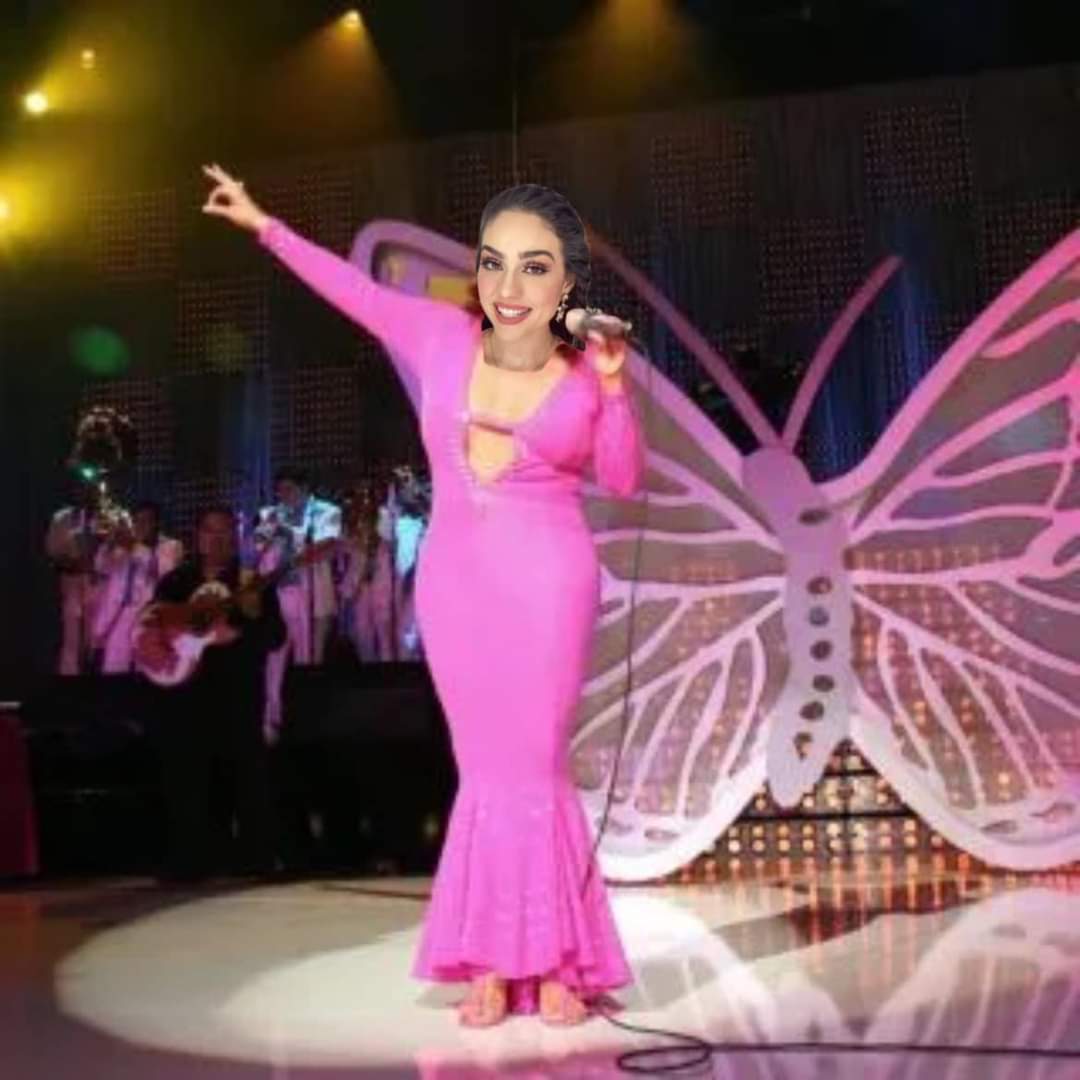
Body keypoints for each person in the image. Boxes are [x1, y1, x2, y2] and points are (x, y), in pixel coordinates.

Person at [202, 164, 643, 1026]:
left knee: (535, 765)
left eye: (534, 266)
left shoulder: (584, 373)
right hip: (456, 580)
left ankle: (557, 962)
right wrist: (264, 224)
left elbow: (624, 478)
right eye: (495, 262)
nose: (510, 283)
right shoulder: (441, 334)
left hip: (549, 578)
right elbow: (352, 290)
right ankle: (491, 963)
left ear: (563, 281)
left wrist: (618, 384)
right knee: (483, 770)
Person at [133, 506, 286, 882]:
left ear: (235, 537)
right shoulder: (175, 582)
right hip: (187, 694)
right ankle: (189, 858)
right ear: (198, 537)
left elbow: (275, 635)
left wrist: (239, 634)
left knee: (247, 776)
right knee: (186, 777)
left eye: (225, 532)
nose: (217, 539)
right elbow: (153, 622)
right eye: (209, 531)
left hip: (238, 692)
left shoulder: (251, 583)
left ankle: (254, 857)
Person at [255, 468, 341, 741]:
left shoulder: (327, 512)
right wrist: (269, 533)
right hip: (281, 598)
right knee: (274, 661)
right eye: (280, 490)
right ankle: (271, 720)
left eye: (289, 489)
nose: (283, 495)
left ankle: (308, 722)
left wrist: (291, 538)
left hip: (314, 596)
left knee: (310, 659)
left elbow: (327, 546)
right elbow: (256, 547)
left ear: (304, 489)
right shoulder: (272, 513)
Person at [92, 501, 183, 674]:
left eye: (146, 521)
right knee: (113, 668)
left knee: (146, 670)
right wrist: (109, 545)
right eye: (137, 521)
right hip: (121, 615)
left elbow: (164, 572)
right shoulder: (124, 545)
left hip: (150, 617)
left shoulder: (171, 546)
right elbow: (101, 566)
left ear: (157, 523)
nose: (141, 526)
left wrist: (134, 547)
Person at [44, 484, 111, 675]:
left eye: (93, 489)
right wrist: (75, 564)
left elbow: (119, 555)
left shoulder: (108, 518)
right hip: (72, 585)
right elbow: (54, 555)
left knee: (97, 640)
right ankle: (69, 682)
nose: (87, 494)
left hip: (102, 588)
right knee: (71, 639)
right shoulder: (62, 518)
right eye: (83, 489)